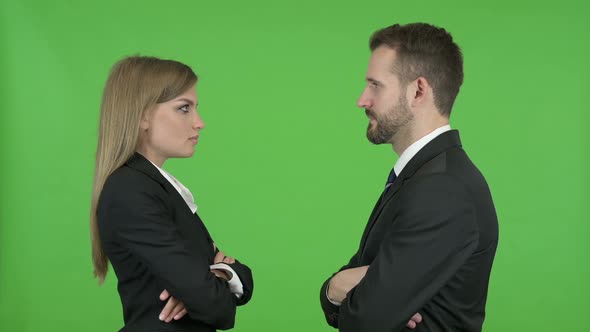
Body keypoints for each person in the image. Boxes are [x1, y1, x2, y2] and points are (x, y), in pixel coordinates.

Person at [319, 23, 499, 331]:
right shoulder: (420, 176)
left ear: (418, 90)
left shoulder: (442, 189)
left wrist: (340, 290)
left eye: (375, 85)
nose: (362, 100)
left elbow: (365, 319)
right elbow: (356, 294)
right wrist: (336, 288)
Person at [90, 56, 253, 331]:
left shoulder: (156, 187)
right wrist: (206, 286)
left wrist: (220, 275)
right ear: (142, 115)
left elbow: (241, 279)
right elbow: (216, 309)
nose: (199, 122)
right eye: (184, 108)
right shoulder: (130, 191)